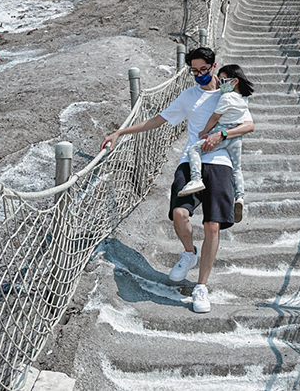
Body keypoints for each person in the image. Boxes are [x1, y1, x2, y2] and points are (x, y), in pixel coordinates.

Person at [100, 47, 254, 314]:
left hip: (220, 163)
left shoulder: (228, 92)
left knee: (212, 226)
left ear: (214, 67)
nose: (198, 76)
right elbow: (157, 121)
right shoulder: (189, 96)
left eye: (203, 70)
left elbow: (249, 124)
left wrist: (222, 135)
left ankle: (201, 286)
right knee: (180, 213)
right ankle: (188, 253)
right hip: (190, 161)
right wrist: (120, 132)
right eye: (193, 71)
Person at [178, 63, 254, 223]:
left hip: (219, 134)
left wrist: (204, 132)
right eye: (219, 81)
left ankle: (196, 179)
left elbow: (215, 117)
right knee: (237, 169)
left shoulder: (226, 97)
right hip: (235, 138)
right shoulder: (244, 99)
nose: (220, 84)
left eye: (223, 81)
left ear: (234, 81)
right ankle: (240, 197)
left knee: (193, 150)